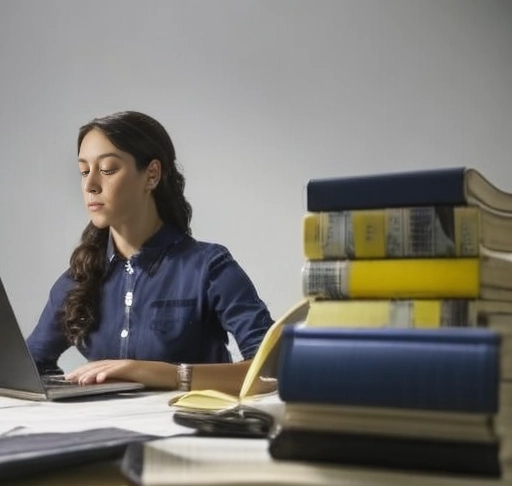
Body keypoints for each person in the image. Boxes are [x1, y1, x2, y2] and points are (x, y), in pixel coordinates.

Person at [27, 110, 274, 396]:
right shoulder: (78, 280)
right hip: (104, 433)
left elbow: (270, 370)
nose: (90, 185)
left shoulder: (209, 267)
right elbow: (28, 368)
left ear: (152, 175)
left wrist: (160, 373)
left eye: (107, 169)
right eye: (84, 171)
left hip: (186, 433)